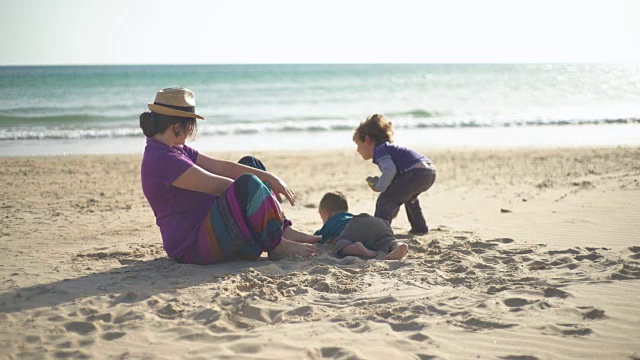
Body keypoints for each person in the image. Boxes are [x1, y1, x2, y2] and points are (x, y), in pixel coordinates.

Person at [139, 87, 319, 265]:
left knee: (251, 165)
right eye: (190, 126)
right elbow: (218, 186)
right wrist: (258, 192)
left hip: (210, 223)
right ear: (177, 127)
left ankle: (282, 230)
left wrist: (269, 177)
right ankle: (276, 244)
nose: (190, 132)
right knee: (248, 183)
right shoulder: (162, 159)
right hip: (193, 245)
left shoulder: (175, 148)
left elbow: (221, 167)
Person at [353, 114, 436, 234]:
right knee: (410, 197)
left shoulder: (380, 150)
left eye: (358, 144)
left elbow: (390, 170)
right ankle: (420, 227)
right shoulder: (389, 148)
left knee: (385, 199)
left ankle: (379, 232)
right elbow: (395, 175)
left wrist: (379, 187)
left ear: (367, 139)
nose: (357, 150)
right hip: (429, 171)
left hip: (416, 173)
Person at [314, 191, 408, 260]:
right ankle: (398, 246)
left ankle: (357, 250)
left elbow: (319, 238)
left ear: (325, 213)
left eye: (322, 217)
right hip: (376, 222)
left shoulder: (332, 221)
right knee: (386, 241)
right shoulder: (349, 217)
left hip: (354, 226)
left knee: (340, 243)